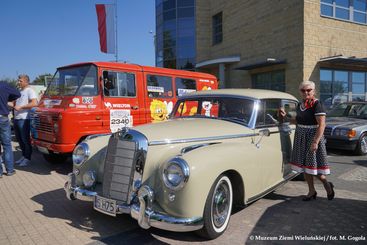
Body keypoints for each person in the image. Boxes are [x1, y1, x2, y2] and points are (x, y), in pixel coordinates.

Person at [279, 80, 335, 201]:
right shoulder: (300, 104)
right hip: (300, 136)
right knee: (305, 167)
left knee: (314, 166)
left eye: (308, 90)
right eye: (303, 90)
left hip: (312, 137)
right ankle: (311, 191)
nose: (306, 92)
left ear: (313, 91)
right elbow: (298, 121)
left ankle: (326, 184)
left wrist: (315, 142)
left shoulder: (317, 104)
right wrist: (286, 117)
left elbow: (322, 125)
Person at [13, 75, 38, 167]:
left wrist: (21, 107)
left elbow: (34, 103)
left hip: (24, 118)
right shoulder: (19, 91)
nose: (19, 82)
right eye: (18, 80)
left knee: (25, 139)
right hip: (16, 118)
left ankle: (27, 158)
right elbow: (15, 103)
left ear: (26, 82)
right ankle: (23, 156)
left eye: (20, 81)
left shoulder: (30, 90)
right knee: (19, 139)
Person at [0, 81, 21, 177]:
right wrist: (7, 98)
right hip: (3, 117)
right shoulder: (3, 85)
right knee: (7, 145)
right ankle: (10, 170)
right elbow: (18, 93)